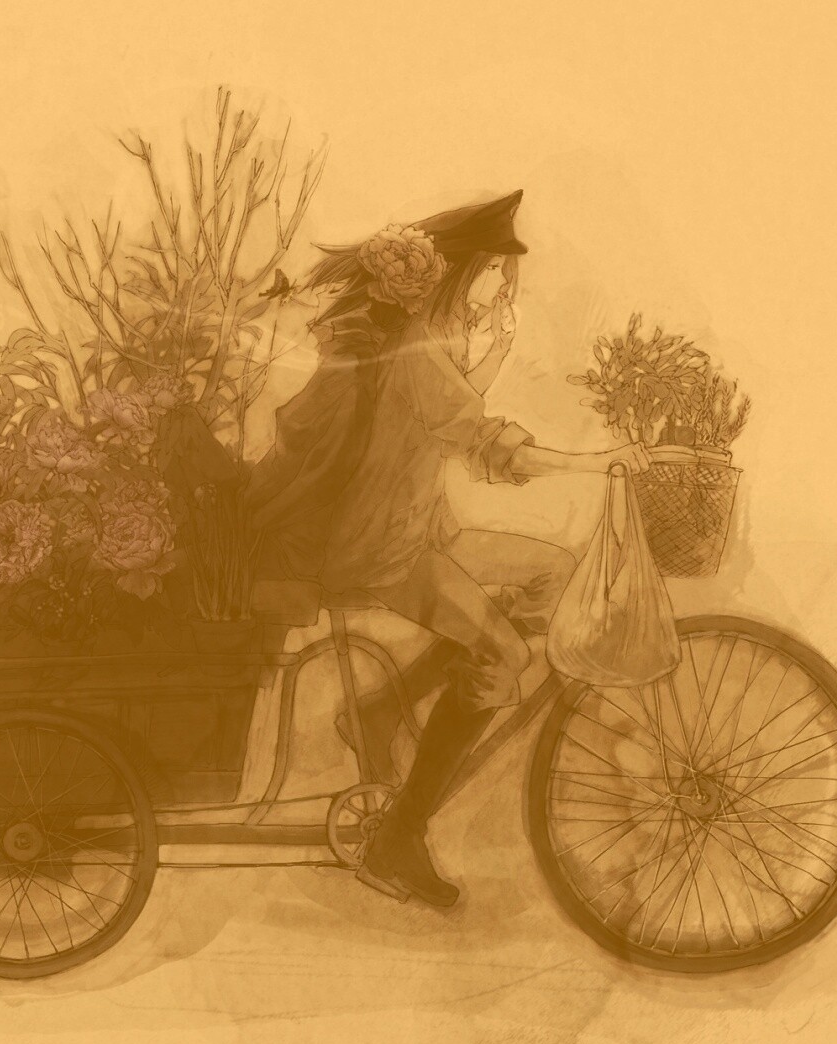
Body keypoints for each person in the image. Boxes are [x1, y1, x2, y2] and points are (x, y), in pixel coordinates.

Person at [246, 191, 650, 908]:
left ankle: (384, 709)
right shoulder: (418, 349)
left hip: (421, 530)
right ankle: (398, 838)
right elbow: (482, 439)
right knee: (504, 656)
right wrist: (599, 462)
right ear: (462, 270)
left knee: (555, 572)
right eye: (497, 270)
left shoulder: (421, 338)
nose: (506, 285)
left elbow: (446, 411)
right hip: (383, 548)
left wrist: (497, 349)